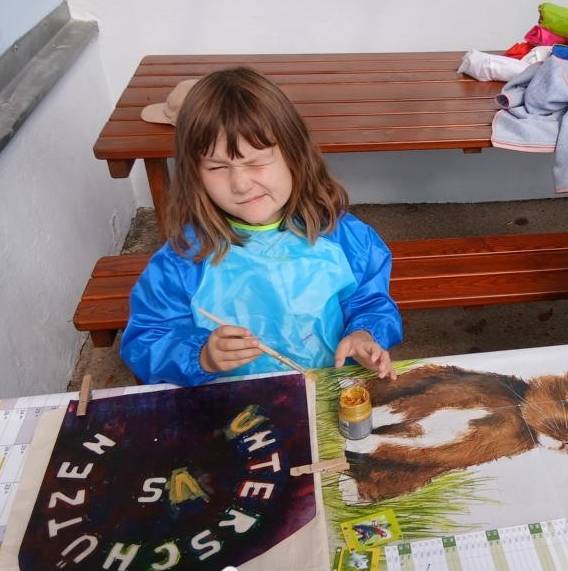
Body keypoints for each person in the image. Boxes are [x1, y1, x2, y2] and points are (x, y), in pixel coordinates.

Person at [121, 67, 402, 386]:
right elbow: (146, 339)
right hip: (233, 406)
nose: (240, 184)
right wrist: (201, 356)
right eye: (217, 167)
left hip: (330, 393)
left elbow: (371, 303)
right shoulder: (183, 259)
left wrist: (365, 334)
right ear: (194, 173)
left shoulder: (344, 237)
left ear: (294, 154)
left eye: (255, 162)